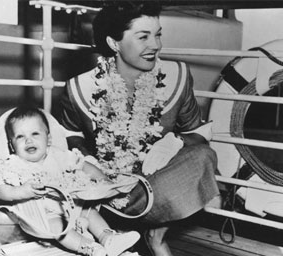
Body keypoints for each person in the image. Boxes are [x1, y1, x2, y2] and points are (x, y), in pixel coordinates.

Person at [58, 2, 220, 256]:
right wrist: (89, 160)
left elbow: (198, 132)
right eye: (143, 36)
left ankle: (156, 233)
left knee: (204, 157)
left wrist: (174, 142)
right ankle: (111, 232)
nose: (155, 45)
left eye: (157, 34)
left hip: (160, 185)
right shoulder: (80, 87)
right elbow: (69, 134)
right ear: (114, 44)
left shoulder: (177, 75)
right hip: (106, 193)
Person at [0, 106, 140, 256]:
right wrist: (21, 191)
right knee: (57, 228)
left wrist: (102, 179)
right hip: (41, 217)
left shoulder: (58, 155)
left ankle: (108, 238)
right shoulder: (13, 164)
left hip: (71, 205)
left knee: (89, 212)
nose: (28, 140)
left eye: (35, 134)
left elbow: (85, 165)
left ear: (49, 138)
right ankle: (89, 247)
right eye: (20, 136)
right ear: (12, 145)